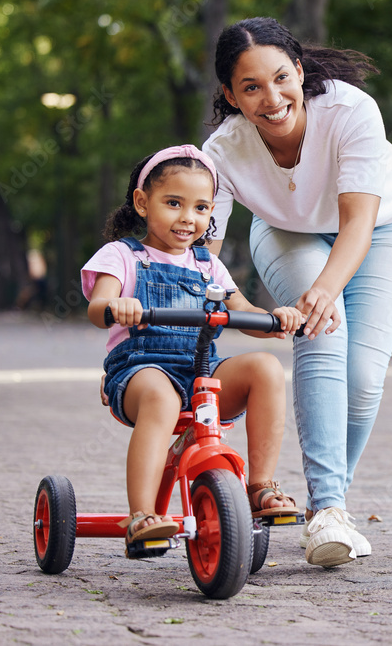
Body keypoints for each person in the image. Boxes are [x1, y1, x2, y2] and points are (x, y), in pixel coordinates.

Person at [203, 18, 392, 568]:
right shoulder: (222, 151)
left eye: (281, 78)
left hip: (381, 228)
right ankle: (327, 510)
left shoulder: (350, 111)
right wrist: (234, 306)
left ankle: (333, 508)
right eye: (251, 87)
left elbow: (357, 224)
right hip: (287, 231)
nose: (272, 99)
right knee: (323, 335)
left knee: (363, 378)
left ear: (300, 72)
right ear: (231, 95)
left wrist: (327, 287)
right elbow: (202, 251)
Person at [82, 144, 305, 552]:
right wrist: (117, 305)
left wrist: (276, 319)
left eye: (202, 208)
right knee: (160, 397)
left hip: (202, 371)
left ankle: (259, 487)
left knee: (267, 369)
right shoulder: (123, 256)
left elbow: (242, 310)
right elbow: (98, 308)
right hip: (139, 370)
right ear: (142, 202)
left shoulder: (208, 266)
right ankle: (143, 515)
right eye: (174, 203)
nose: (188, 218)